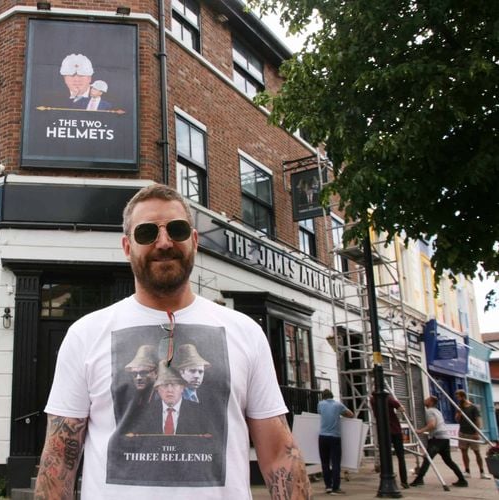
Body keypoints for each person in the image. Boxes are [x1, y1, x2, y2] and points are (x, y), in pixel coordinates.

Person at [35, 184, 310, 499]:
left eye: (176, 230)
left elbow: (279, 456)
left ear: (194, 240)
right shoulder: (86, 333)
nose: (163, 242)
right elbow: (58, 459)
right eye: (146, 233)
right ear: (127, 247)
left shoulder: (244, 332)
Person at [410, 396, 468, 487]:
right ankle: (462, 480)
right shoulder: (437, 411)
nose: (425, 400)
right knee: (448, 461)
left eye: (427, 399)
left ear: (431, 402)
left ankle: (419, 479)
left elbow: (432, 425)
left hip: (437, 439)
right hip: (444, 438)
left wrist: (420, 431)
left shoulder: (429, 411)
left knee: (427, 459)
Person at [136, 360, 206, 435]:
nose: (169, 390)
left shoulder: (199, 412)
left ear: (182, 388)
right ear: (157, 388)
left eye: (174, 385)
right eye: (165, 385)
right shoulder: (145, 412)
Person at [369, 393, 409, 489]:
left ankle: (385, 476)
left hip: (383, 431)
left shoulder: (373, 400)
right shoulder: (388, 398)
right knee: (400, 456)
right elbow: (401, 408)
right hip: (395, 430)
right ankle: (404, 481)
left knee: (385, 456)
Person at [317, 389, 353, 495]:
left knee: (325, 463)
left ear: (323, 397)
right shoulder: (338, 405)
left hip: (322, 437)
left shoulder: (320, 404)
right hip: (334, 437)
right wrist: (340, 415)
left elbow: (320, 413)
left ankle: (328, 486)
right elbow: (351, 414)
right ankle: (336, 487)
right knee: (336, 463)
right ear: (332, 396)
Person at [455, 389, 490, 479]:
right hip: (463, 432)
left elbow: (478, 420)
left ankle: (482, 472)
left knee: (477, 452)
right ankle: (467, 471)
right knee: (464, 452)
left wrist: (477, 433)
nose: (457, 399)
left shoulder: (473, 407)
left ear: (463, 396)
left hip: (472, 433)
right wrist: (459, 413)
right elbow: (457, 420)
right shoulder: (460, 407)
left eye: (458, 397)